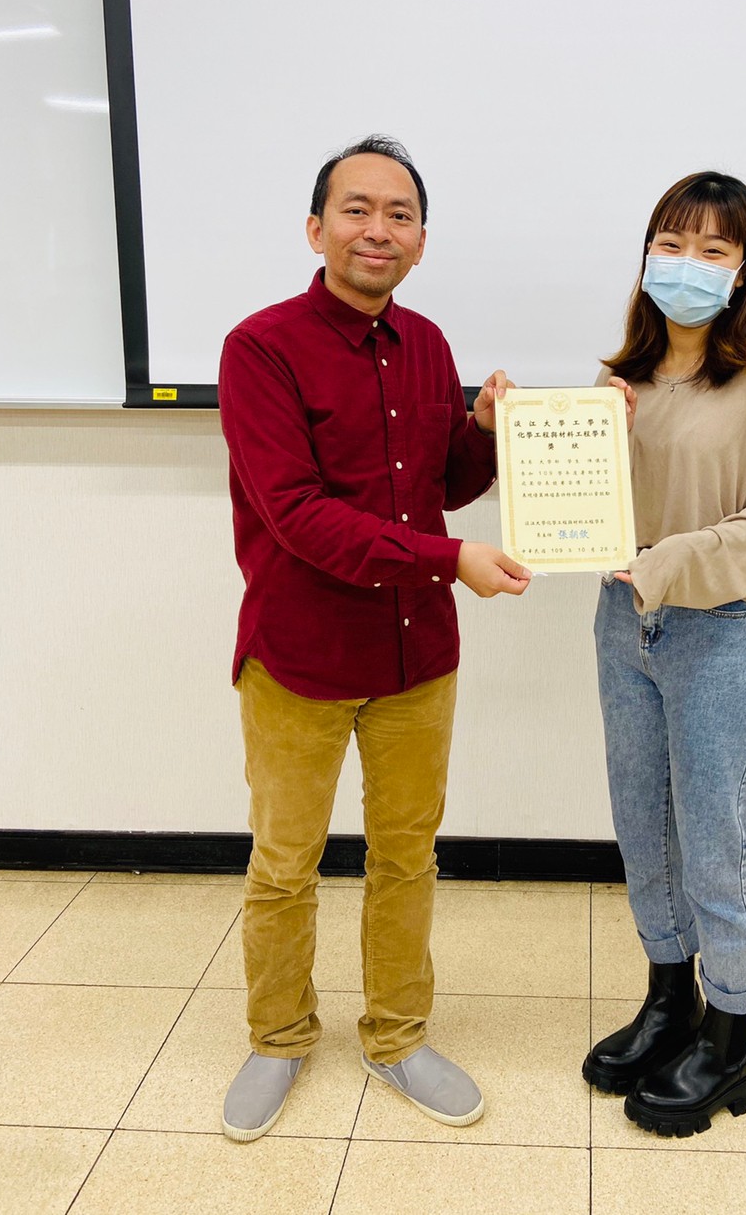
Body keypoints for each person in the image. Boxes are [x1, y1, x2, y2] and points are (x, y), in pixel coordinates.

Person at [217, 135, 530, 1142]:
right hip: (299, 658)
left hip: (414, 657)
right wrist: (450, 560)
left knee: (406, 856)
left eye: (399, 215)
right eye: (357, 209)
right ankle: (278, 1036)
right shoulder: (259, 348)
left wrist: (484, 432)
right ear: (316, 229)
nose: (377, 230)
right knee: (285, 861)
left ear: (422, 241)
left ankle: (397, 1035)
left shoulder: (428, 343)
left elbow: (439, 485)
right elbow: (300, 516)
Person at [583, 171, 746, 1137]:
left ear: (744, 270)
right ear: (647, 255)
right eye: (672, 244)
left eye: (714, 250)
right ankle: (669, 1001)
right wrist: (520, 425)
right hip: (624, 625)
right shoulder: (622, 381)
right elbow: (581, 504)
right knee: (645, 828)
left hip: (723, 629)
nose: (688, 265)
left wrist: (670, 561)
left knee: (715, 842)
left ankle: (731, 1040)